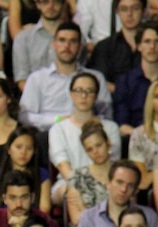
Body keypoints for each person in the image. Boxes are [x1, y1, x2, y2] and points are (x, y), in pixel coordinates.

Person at [19, 22, 111, 132]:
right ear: (54, 44)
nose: (66, 46)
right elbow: (25, 116)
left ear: (80, 47)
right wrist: (58, 120)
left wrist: (84, 121)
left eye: (73, 41)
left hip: (87, 135)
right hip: (48, 135)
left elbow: (106, 114)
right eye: (62, 40)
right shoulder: (37, 78)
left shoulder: (96, 77)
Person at [49, 73, 121, 207]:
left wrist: (99, 184)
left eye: (89, 91)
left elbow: (113, 165)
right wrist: (86, 187)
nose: (83, 96)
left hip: (105, 180)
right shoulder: (58, 129)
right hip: (69, 182)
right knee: (72, 192)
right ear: (71, 94)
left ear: (96, 95)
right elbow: (63, 165)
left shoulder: (111, 127)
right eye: (78, 91)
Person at [73, 160, 158, 227]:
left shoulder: (149, 216)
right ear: (108, 183)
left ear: (136, 190)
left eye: (130, 185)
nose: (123, 189)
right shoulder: (89, 217)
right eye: (119, 182)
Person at [0, 127, 50, 219]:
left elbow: (44, 210)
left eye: (29, 148)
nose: (23, 152)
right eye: (18, 147)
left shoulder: (42, 175)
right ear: (9, 149)